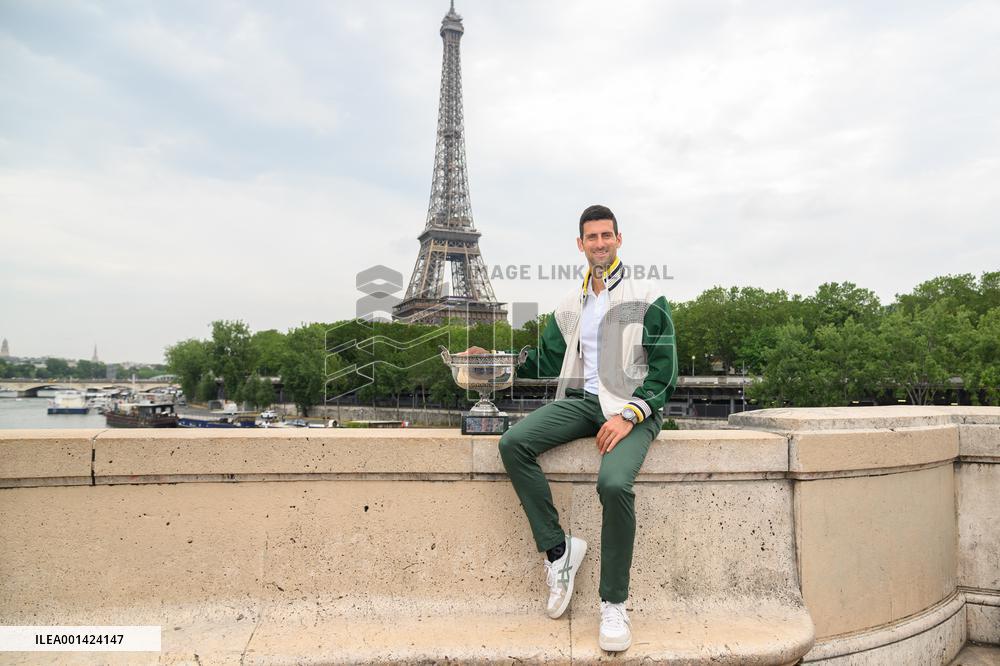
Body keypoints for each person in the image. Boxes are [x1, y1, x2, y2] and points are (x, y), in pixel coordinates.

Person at [464, 204, 678, 652]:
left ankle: (614, 603)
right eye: (591, 238)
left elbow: (665, 371)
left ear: (619, 239)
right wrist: (494, 358)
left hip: (631, 406)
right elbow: (542, 360)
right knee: (514, 443)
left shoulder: (647, 293)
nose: (599, 244)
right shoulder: (571, 303)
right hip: (583, 402)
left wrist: (630, 415)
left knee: (614, 483)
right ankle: (560, 552)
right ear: (580, 245)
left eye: (607, 236)